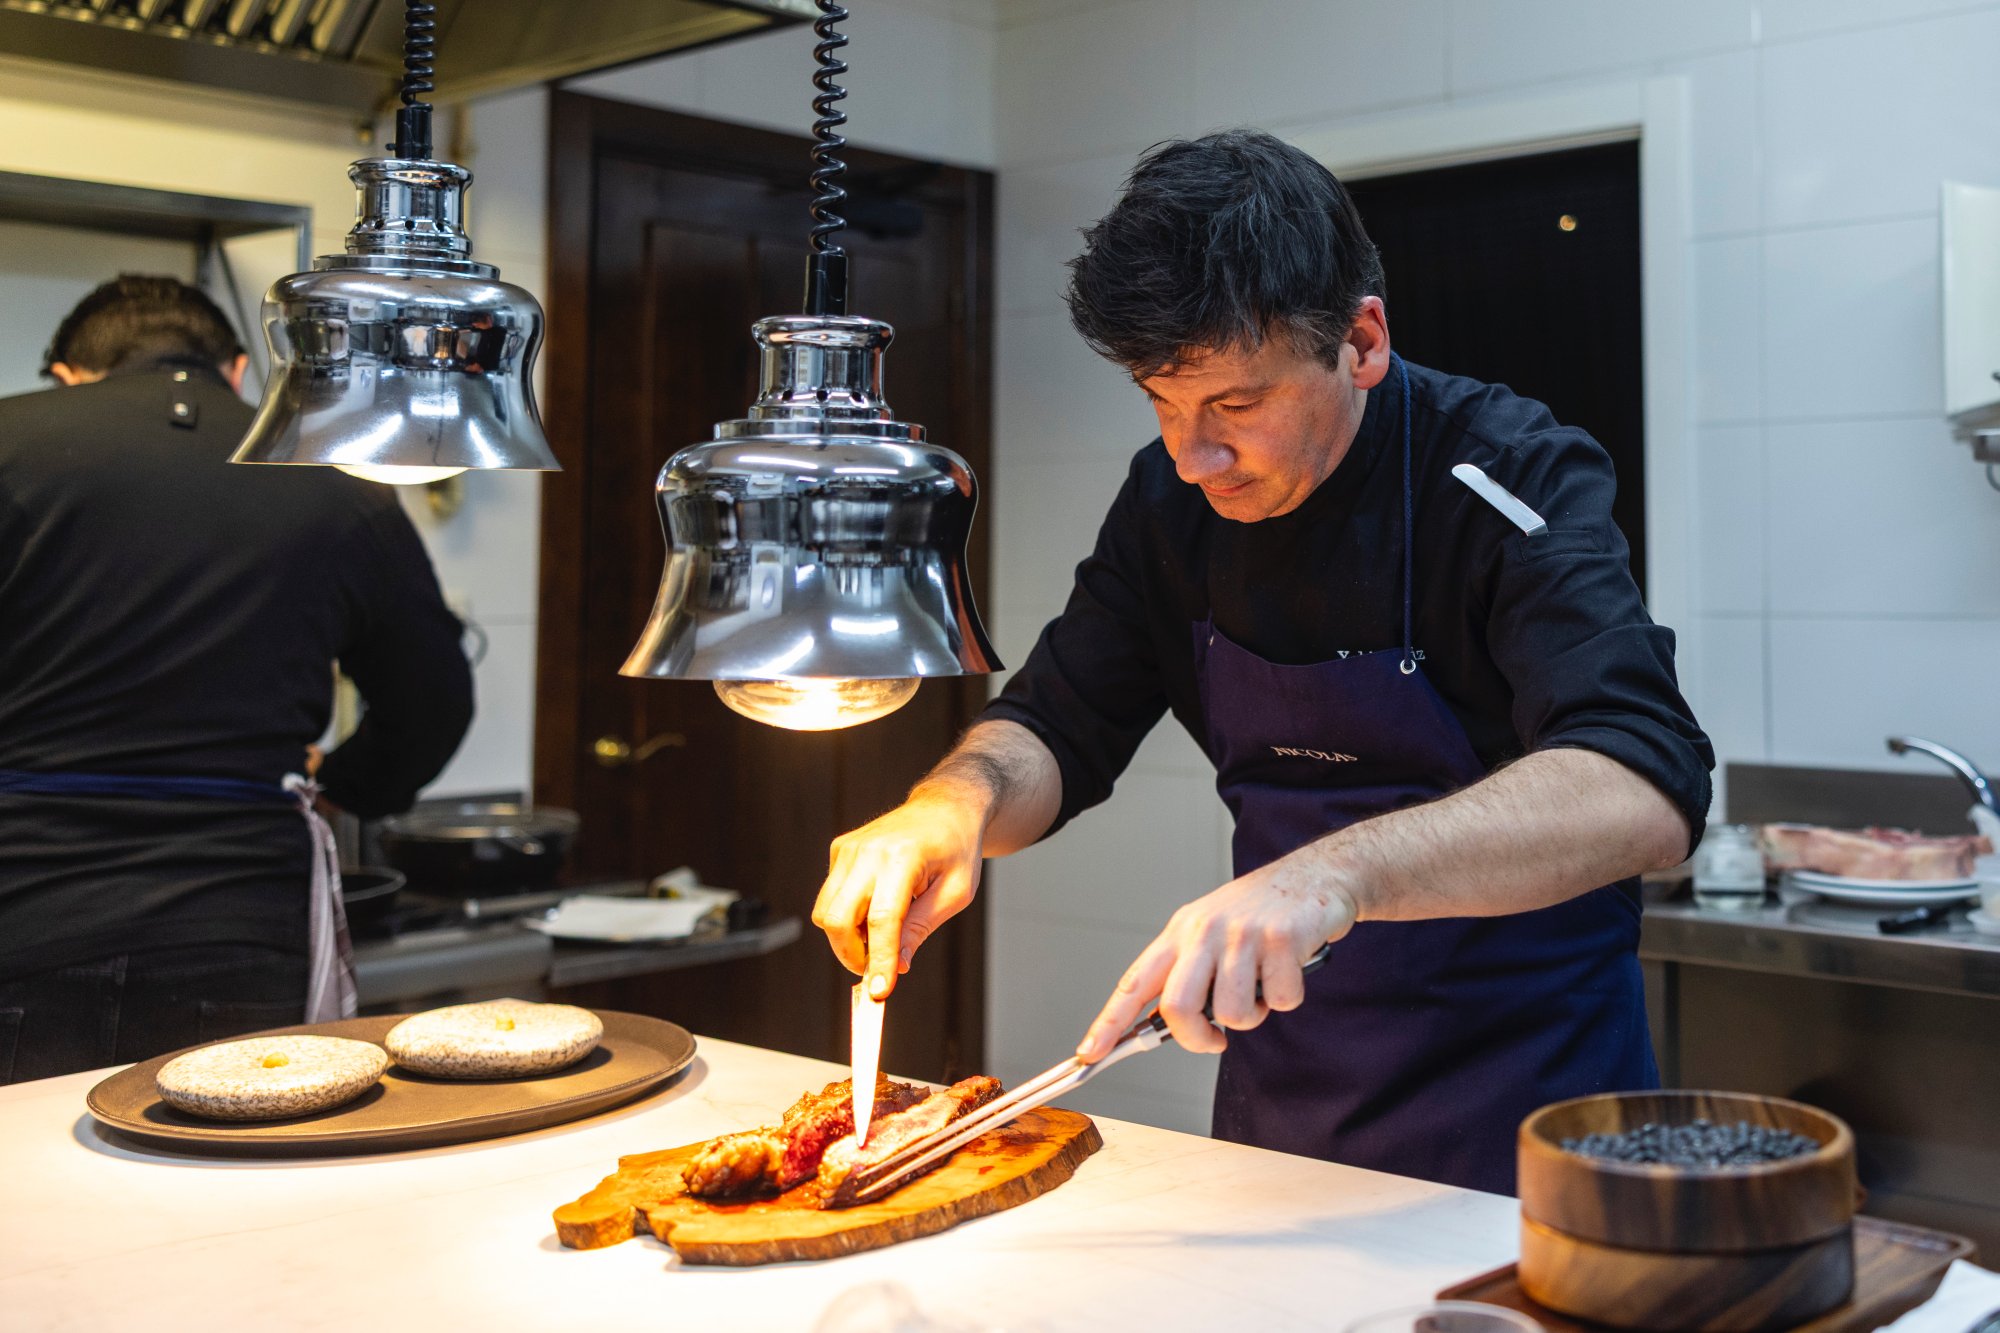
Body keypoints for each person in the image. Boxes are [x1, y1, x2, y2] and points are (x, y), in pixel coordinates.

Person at [812, 131, 1714, 1194]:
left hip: (1526, 1121)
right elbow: (1056, 723)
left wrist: (1332, 873)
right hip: (1283, 1119)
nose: (1192, 457)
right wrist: (948, 806)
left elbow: (1643, 783)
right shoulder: (1169, 502)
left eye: (1235, 406)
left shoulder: (1505, 472)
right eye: (1160, 400)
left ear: (1361, 343)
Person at [0, 275, 473, 1084]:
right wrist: (344, 780)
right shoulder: (331, 479)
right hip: (237, 924)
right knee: (220, 1199)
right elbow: (432, 701)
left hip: (22, 912)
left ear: (68, 374)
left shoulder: (12, 440)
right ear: (239, 371)